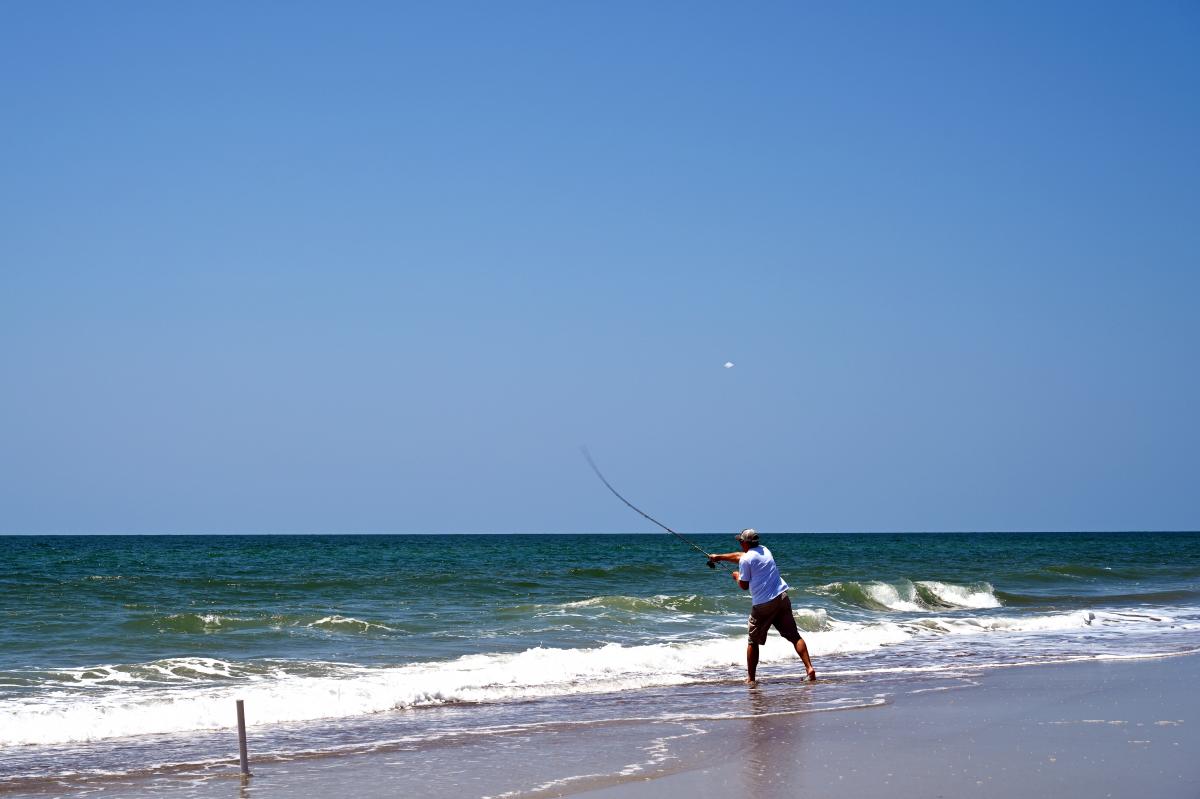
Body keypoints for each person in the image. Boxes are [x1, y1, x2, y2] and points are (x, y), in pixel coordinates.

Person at [709, 529, 817, 687]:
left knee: (753, 641)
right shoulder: (765, 550)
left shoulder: (746, 560)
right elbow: (741, 556)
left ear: (745, 542)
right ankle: (810, 669)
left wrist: (736, 577)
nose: (739, 543)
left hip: (763, 605)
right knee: (794, 636)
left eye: (740, 541)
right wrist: (718, 557)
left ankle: (751, 679)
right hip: (782, 597)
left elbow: (744, 585)